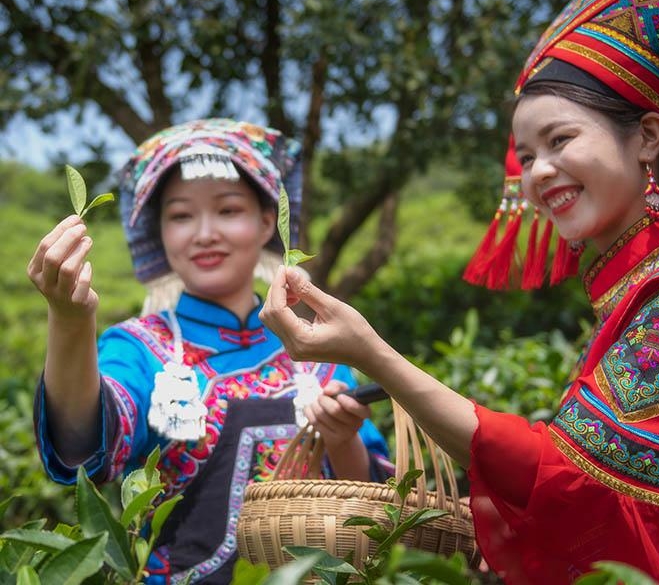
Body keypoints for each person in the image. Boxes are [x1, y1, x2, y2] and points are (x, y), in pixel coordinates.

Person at [259, 0, 659, 583]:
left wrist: (372, 354)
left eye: (560, 141)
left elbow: (572, 478)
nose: (540, 172)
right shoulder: (645, 287)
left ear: (647, 136)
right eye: (526, 154)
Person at [27, 119, 392, 584]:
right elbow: (79, 447)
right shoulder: (138, 347)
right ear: (160, 233)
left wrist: (342, 439)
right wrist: (71, 323)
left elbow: (373, 511)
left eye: (228, 210)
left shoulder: (319, 349)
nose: (204, 234)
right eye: (181, 215)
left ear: (266, 222)